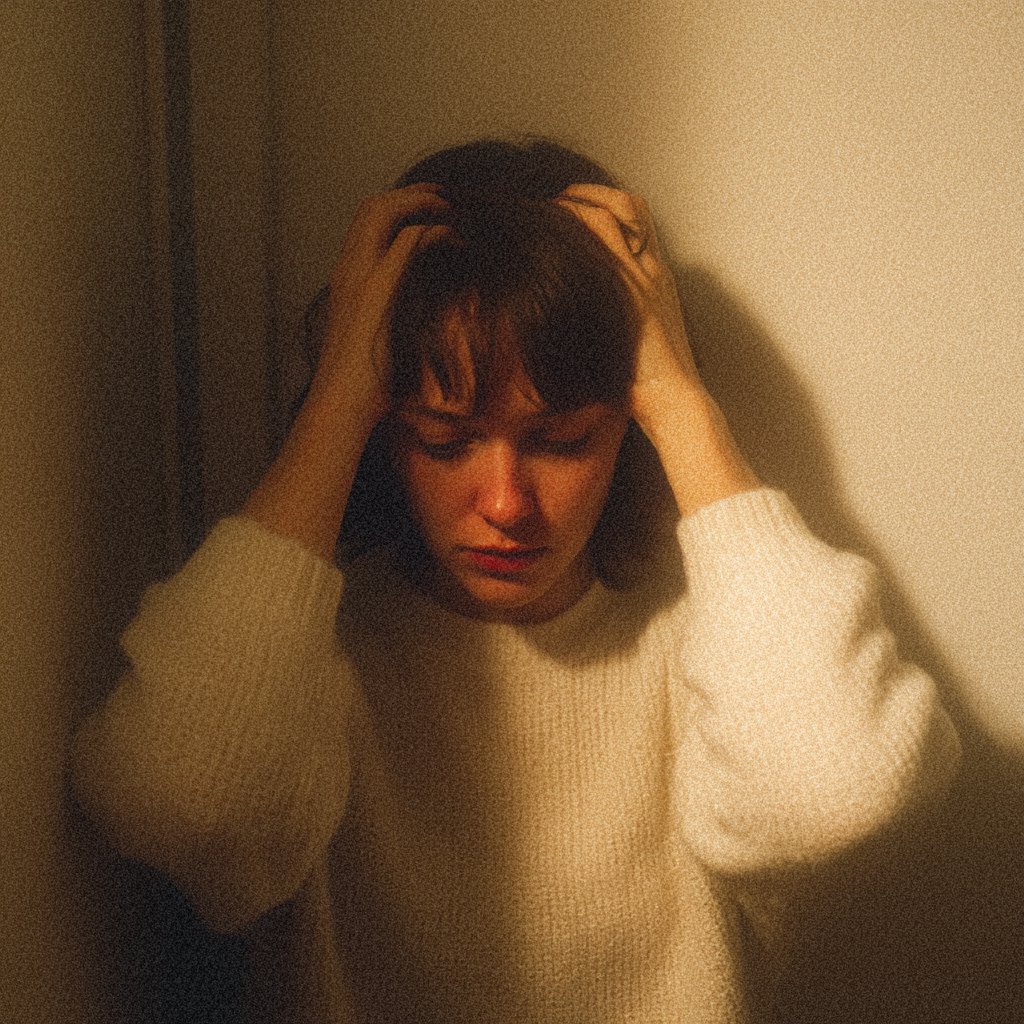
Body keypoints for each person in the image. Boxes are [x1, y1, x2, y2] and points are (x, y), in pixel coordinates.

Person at [72, 137, 961, 1023]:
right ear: (387, 432)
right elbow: (181, 800)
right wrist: (342, 391)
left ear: (625, 430)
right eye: (444, 438)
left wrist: (677, 396)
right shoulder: (303, 666)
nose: (505, 503)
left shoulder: (711, 657)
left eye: (564, 438)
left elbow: (833, 786)